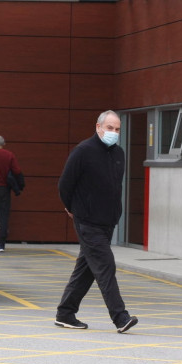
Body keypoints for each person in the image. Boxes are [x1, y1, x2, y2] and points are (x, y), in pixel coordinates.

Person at [54, 110, 138, 333]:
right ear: (98, 127)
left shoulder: (118, 153)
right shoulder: (83, 151)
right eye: (110, 128)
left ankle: (65, 313)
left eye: (117, 129)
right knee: (105, 265)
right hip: (87, 220)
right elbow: (65, 184)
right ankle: (120, 317)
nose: (114, 132)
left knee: (87, 269)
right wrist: (72, 209)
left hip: (107, 221)